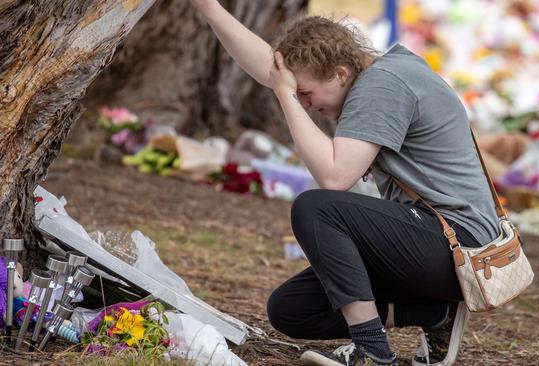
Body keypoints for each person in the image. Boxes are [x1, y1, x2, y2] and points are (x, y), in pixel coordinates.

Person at [192, 1, 500, 365]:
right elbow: (273, 70)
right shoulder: (366, 75)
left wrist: (285, 97)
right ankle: (433, 312)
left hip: (460, 244)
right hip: (430, 245)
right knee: (290, 309)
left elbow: (334, 177)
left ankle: (372, 351)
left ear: (339, 73)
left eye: (306, 94)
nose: (304, 103)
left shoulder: (382, 86)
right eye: (299, 95)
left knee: (317, 208)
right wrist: (210, 9)